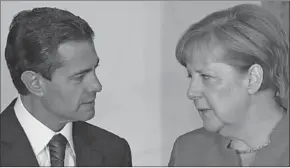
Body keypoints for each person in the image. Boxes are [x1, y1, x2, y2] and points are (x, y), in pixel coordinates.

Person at [0, 7, 132, 167]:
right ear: (35, 83)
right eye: (79, 77)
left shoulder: (114, 151)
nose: (96, 86)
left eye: (93, 70)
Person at [169, 4, 289, 167]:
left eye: (206, 76)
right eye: (190, 76)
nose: (191, 92)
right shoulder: (187, 150)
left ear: (253, 79)